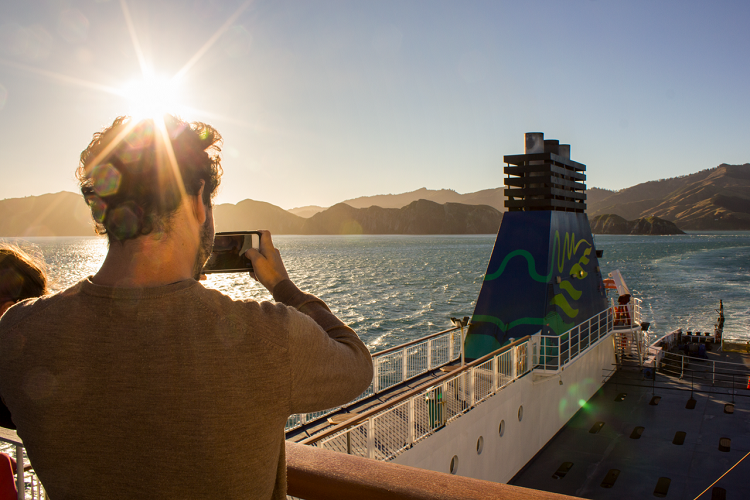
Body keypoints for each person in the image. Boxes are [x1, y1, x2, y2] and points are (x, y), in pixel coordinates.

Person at [0, 115, 373, 499]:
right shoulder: (271, 339)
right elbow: (356, 362)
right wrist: (283, 286)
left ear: (102, 212)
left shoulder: (18, 332)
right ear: (197, 198)